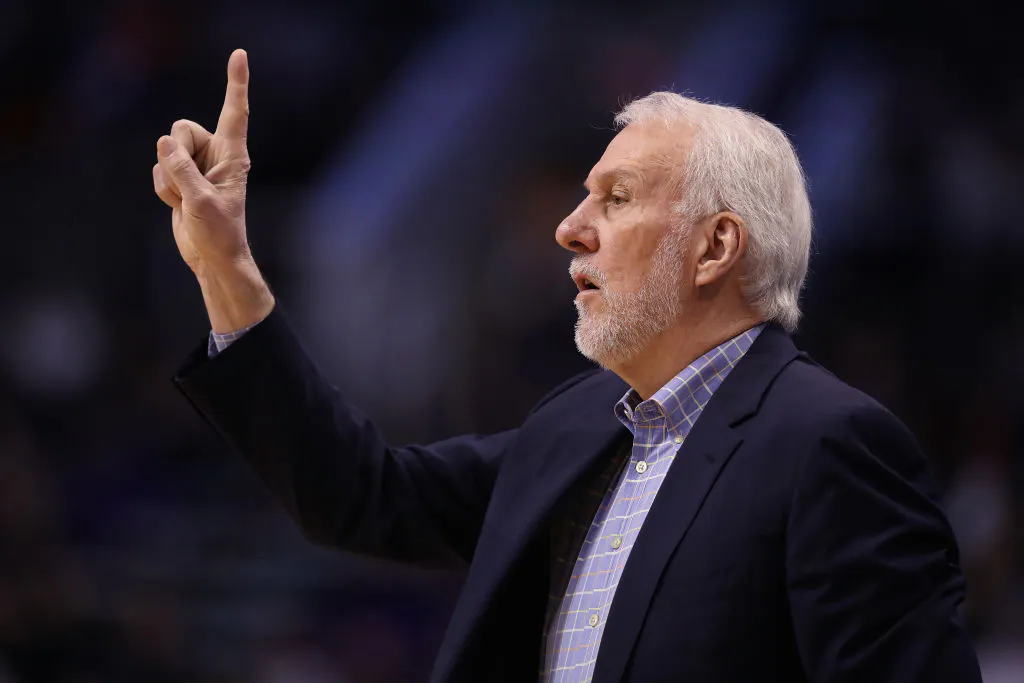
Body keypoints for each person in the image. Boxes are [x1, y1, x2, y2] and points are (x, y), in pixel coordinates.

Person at [153, 50, 982, 683]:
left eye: (616, 198)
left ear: (715, 247)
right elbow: (363, 496)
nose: (569, 227)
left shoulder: (830, 445)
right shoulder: (573, 428)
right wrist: (229, 271)